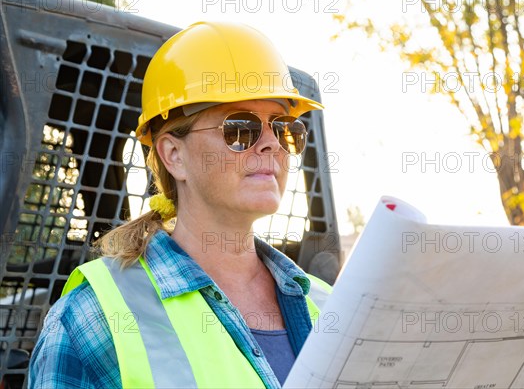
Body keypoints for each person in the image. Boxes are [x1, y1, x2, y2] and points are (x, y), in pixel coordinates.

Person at [28, 21, 332, 389]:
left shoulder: (329, 306)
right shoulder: (93, 319)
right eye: (240, 128)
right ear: (174, 155)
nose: (272, 144)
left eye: (284, 128)